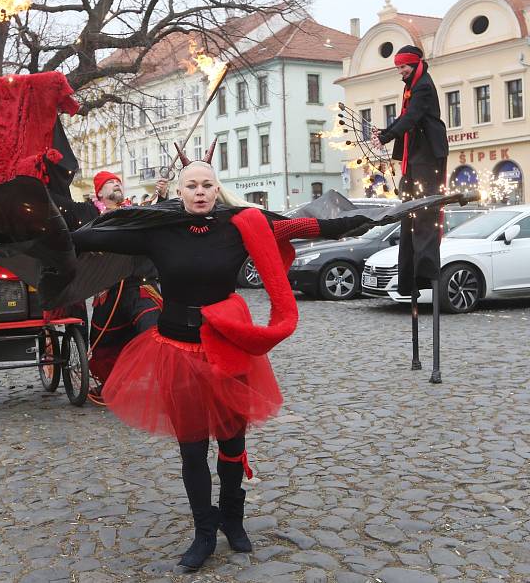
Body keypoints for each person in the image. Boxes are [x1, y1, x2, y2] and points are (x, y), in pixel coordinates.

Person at [70, 145, 370, 570]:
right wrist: (50, 231)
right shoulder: (158, 229)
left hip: (226, 349)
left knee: (232, 442)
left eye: (207, 185)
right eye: (191, 185)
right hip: (176, 349)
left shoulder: (241, 224)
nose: (200, 192)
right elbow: (92, 236)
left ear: (217, 189)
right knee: (192, 451)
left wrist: (354, 223)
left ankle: (233, 518)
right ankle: (203, 533)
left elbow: (296, 226)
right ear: (180, 190)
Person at [49, 170, 168, 401]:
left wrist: (162, 198)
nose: (116, 185)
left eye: (118, 182)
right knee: (104, 345)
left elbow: (160, 220)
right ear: (99, 193)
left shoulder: (136, 211)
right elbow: (64, 210)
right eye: (110, 183)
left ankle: (167, 384)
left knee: (153, 331)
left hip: (140, 286)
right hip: (108, 290)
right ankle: (111, 386)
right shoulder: (89, 213)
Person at [372, 45, 448, 295]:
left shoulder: (423, 85)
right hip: (416, 151)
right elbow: (406, 117)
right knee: (410, 210)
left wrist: (387, 137)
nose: (400, 71)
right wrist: (385, 132)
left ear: (414, 64)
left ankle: (423, 271)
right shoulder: (412, 84)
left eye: (403, 67)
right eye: (398, 67)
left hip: (426, 153)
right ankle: (409, 274)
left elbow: (412, 117)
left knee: (423, 210)